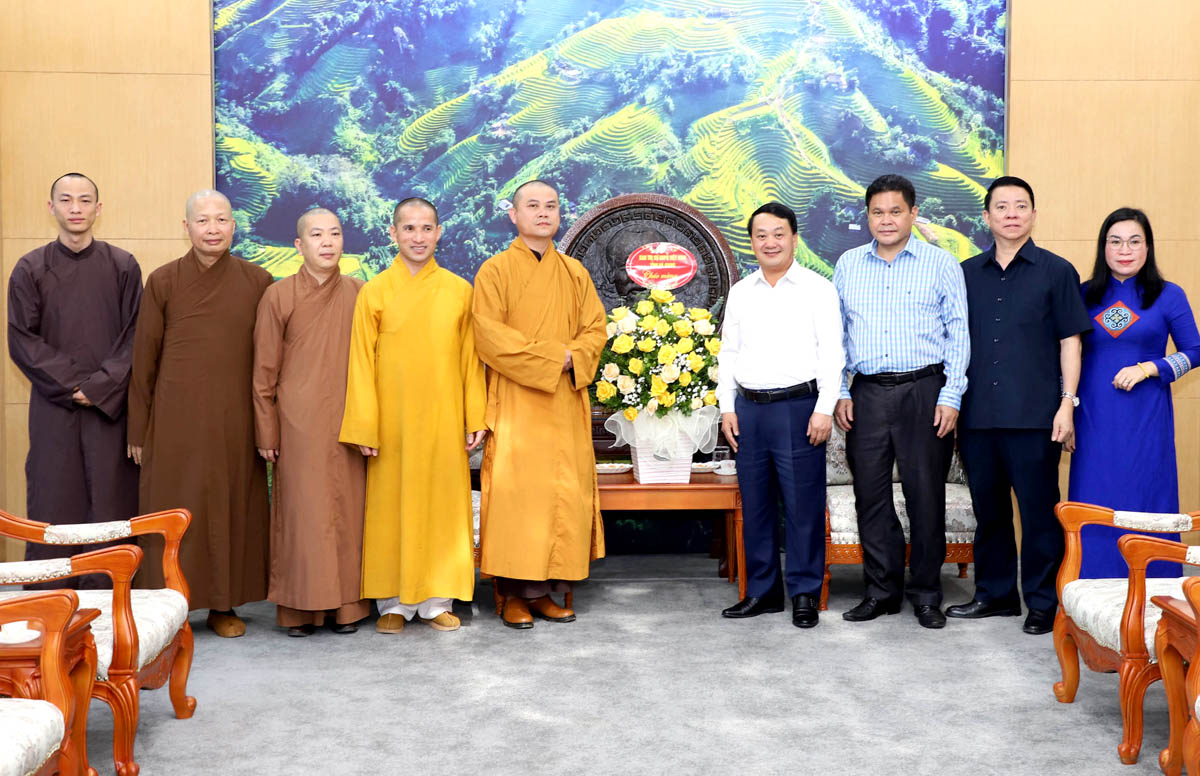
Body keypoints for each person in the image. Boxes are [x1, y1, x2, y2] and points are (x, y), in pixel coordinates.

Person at [945, 177, 1092, 635]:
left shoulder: (1057, 271)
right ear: (986, 217)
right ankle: (996, 595)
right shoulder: (965, 272)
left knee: (1039, 513)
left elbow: (1071, 342)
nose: (1011, 214)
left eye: (1021, 206)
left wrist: (1067, 405)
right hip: (977, 417)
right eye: (1002, 206)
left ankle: (1044, 602)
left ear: (1033, 214)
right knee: (989, 513)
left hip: (1035, 417)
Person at [127, 189, 273, 637]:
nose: (213, 229)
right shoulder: (164, 280)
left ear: (234, 226)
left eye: (221, 220)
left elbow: (269, 359)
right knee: (173, 508)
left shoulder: (258, 281)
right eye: (203, 221)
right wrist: (139, 428)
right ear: (186, 227)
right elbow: (144, 358)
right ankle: (166, 608)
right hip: (175, 419)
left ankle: (224, 605)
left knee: (232, 507)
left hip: (234, 417)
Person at [340, 198, 486, 634]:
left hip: (443, 416)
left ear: (439, 233)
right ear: (393, 233)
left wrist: (474, 414)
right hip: (393, 420)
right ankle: (393, 603)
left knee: (441, 507)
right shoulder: (375, 291)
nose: (418, 237)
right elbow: (360, 363)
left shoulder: (460, 290)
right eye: (409, 229)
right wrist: (365, 423)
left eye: (426, 229)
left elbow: (470, 360)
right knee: (391, 508)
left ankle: (436, 601)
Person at [833, 173, 969, 630]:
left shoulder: (941, 263)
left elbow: (959, 335)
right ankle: (881, 591)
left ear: (913, 213)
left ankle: (927, 593)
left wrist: (951, 394)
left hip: (925, 391)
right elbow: (839, 337)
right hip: (867, 392)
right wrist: (839, 390)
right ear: (867, 216)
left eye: (896, 211)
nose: (886, 220)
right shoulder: (849, 265)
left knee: (924, 495)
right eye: (877, 212)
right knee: (869, 496)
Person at [472, 179, 607, 629]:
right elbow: (492, 340)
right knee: (517, 499)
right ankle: (512, 594)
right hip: (516, 403)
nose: (543, 213)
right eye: (533, 206)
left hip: (565, 403)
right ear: (514, 214)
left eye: (551, 205)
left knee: (560, 496)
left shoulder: (574, 273)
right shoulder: (494, 271)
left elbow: (595, 331)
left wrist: (576, 355)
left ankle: (547, 592)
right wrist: (558, 357)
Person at [7, 173, 142, 587]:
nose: (76, 208)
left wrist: (99, 387)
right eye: (66, 200)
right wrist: (72, 386)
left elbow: (136, 335)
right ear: (51, 208)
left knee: (110, 499)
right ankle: (49, 601)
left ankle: (113, 598)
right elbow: (21, 338)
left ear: (98, 209)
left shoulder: (123, 266)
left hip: (110, 407)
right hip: (54, 406)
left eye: (85, 200)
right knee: (54, 496)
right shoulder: (30, 268)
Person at [717, 203, 844, 628]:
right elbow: (728, 353)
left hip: (799, 408)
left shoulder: (817, 289)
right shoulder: (741, 291)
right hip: (749, 410)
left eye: (778, 234)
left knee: (802, 506)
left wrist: (824, 408)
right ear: (752, 241)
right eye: (761, 235)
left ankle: (805, 592)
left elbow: (832, 353)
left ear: (793, 238)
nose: (769, 242)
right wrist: (726, 407)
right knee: (755, 505)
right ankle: (763, 592)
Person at [253, 208, 368, 637]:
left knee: (347, 514)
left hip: (348, 421)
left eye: (335, 234)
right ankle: (299, 611)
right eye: (316, 235)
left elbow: (374, 365)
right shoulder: (278, 296)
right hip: (297, 425)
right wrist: (267, 430)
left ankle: (348, 609)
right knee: (303, 516)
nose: (327, 242)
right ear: (299, 246)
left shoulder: (360, 293)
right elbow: (263, 372)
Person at [1070, 207, 1200, 578]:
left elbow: (1195, 351)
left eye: (1134, 241)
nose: (1124, 250)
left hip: (1146, 419)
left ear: (1148, 247)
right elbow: (1066, 352)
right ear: (1103, 247)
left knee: (1147, 496)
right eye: (1115, 241)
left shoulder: (1169, 295)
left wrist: (1151, 368)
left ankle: (1156, 590)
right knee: (1094, 501)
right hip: (1092, 417)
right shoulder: (1083, 295)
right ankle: (1089, 591)